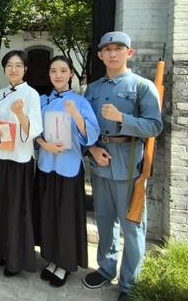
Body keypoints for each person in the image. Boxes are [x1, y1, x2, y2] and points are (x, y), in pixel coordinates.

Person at [82, 32, 163, 301]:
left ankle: (130, 284)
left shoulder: (142, 86)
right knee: (105, 222)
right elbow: (85, 126)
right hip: (100, 161)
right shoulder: (93, 89)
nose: (113, 53)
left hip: (129, 165)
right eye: (107, 49)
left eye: (119, 48)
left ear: (129, 53)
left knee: (132, 227)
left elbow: (154, 126)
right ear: (100, 55)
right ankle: (106, 269)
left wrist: (122, 118)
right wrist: (92, 149)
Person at [34, 56, 99, 287]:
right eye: (53, 71)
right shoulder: (42, 100)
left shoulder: (80, 102)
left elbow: (91, 135)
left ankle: (64, 264)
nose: (58, 75)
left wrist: (76, 115)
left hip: (69, 166)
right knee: (48, 213)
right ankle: (51, 258)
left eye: (63, 70)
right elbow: (34, 130)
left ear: (71, 73)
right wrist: (44, 144)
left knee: (65, 217)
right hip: (46, 164)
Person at [0, 50, 43, 277]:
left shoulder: (32, 94)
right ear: (4, 69)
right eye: (9, 65)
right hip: (1, 157)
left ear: (25, 69)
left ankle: (15, 260)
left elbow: (35, 129)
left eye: (18, 65)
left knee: (18, 210)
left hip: (21, 160)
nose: (14, 69)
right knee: (1, 206)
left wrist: (21, 114)